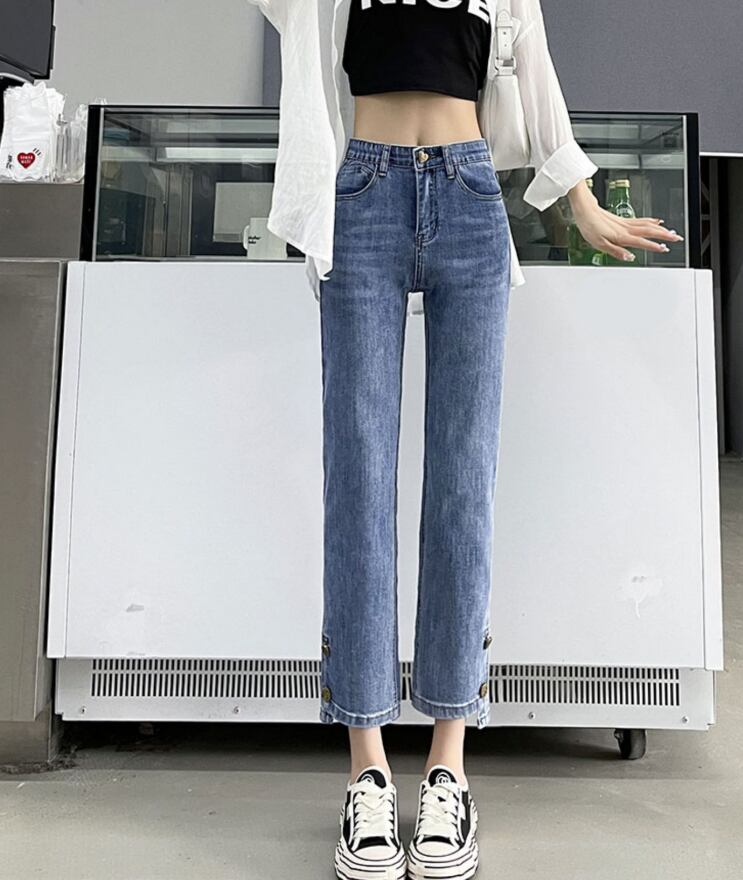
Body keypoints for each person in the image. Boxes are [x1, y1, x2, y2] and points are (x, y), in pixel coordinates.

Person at [249, 1, 683, 878]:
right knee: (359, 481)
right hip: (361, 193)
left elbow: (537, 77)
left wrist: (581, 202)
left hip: (471, 191)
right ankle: (368, 772)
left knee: (461, 485)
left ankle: (448, 766)